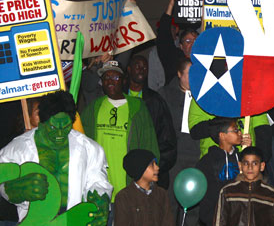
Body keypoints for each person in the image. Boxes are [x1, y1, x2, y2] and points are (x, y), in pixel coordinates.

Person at [0, 91, 112, 224]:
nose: (59, 133)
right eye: (53, 127)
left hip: (73, 221)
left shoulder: (89, 148)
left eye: (65, 127)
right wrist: (13, 189)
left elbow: (98, 182)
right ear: (43, 121)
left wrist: (100, 201)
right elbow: (3, 178)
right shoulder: (18, 148)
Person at [81, 60, 160, 217]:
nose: (110, 81)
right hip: (99, 190)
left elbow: (150, 147)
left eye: (115, 78)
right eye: (106, 78)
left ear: (124, 80)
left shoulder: (137, 108)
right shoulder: (93, 108)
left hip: (129, 188)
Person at [159, 58, 201, 225]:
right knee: (170, 202)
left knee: (194, 201)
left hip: (196, 155)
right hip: (174, 158)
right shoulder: (165, 94)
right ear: (179, 74)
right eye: (189, 74)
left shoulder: (204, 96)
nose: (193, 79)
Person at [126, 55, 177, 190]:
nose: (141, 70)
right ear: (129, 69)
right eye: (138, 66)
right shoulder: (119, 98)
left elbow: (167, 139)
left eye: (145, 67)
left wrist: (154, 167)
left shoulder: (155, 100)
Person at [196, 118, 251, 226]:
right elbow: (207, 193)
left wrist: (248, 152)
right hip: (215, 216)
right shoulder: (207, 161)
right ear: (222, 136)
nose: (240, 133)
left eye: (239, 129)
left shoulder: (241, 157)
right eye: (235, 130)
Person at [214, 147, 274, 226]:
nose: (250, 167)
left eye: (254, 163)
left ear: (262, 166)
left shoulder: (272, 195)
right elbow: (220, 222)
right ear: (240, 165)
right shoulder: (227, 192)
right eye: (246, 163)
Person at [114, 149, 174, 226]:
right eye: (152, 165)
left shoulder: (162, 194)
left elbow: (168, 222)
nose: (157, 168)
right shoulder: (124, 197)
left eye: (156, 163)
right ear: (140, 169)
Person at [156, 0, 190, 86]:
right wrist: (171, 5)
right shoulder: (174, 59)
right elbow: (163, 35)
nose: (192, 44)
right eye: (188, 41)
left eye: (195, 41)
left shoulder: (205, 60)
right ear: (181, 46)